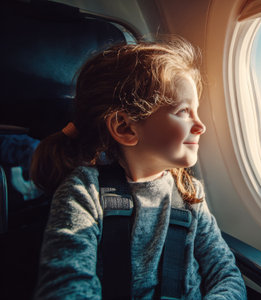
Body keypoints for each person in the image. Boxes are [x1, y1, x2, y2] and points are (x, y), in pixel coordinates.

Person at [31, 38, 247, 299]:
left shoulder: (188, 194)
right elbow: (66, 287)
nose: (201, 126)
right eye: (183, 112)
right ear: (125, 128)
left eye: (196, 110)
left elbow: (225, 274)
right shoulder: (83, 193)